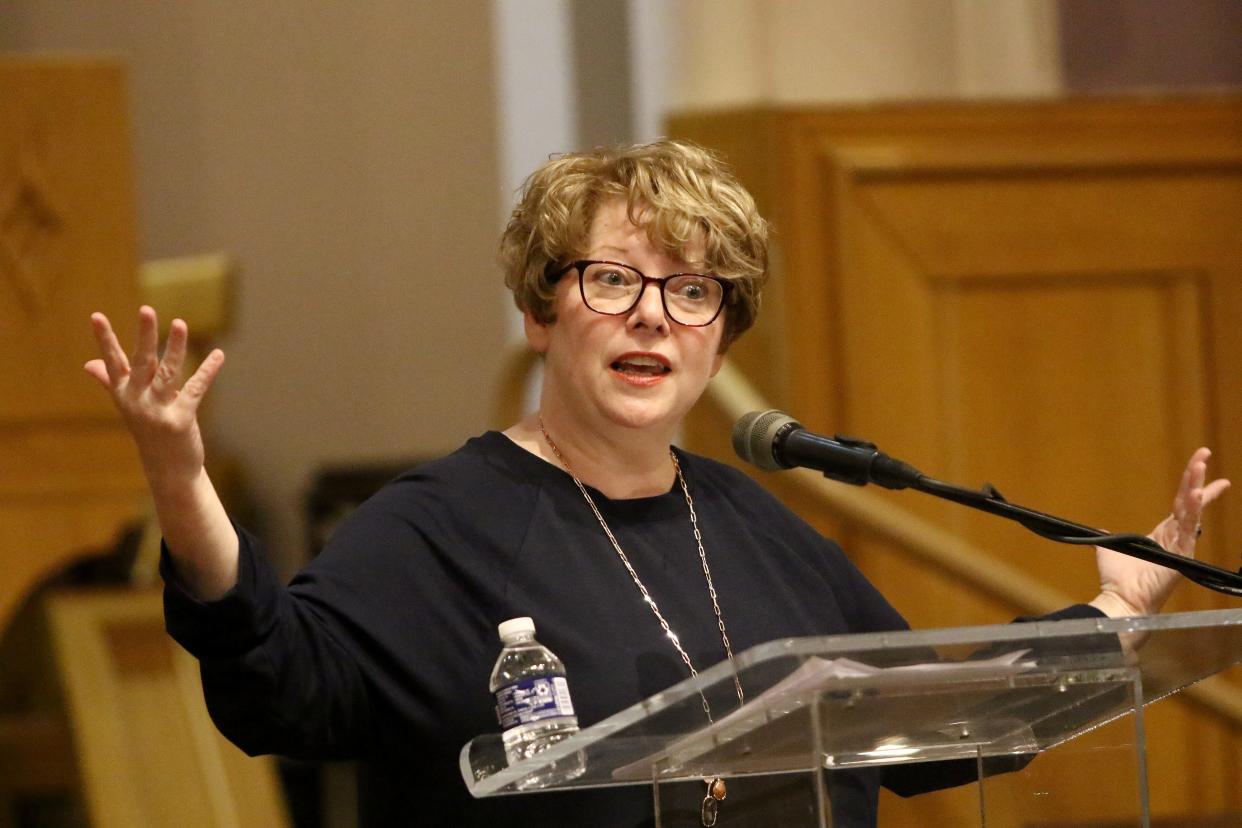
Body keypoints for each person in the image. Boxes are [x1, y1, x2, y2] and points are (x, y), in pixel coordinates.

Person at [85, 140, 1228, 827]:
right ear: (539, 311)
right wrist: (181, 480)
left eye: (694, 292)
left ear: (720, 343)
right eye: (611, 278)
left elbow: (926, 725)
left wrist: (1117, 608)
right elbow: (276, 683)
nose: (652, 312)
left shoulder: (756, 524)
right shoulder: (434, 529)